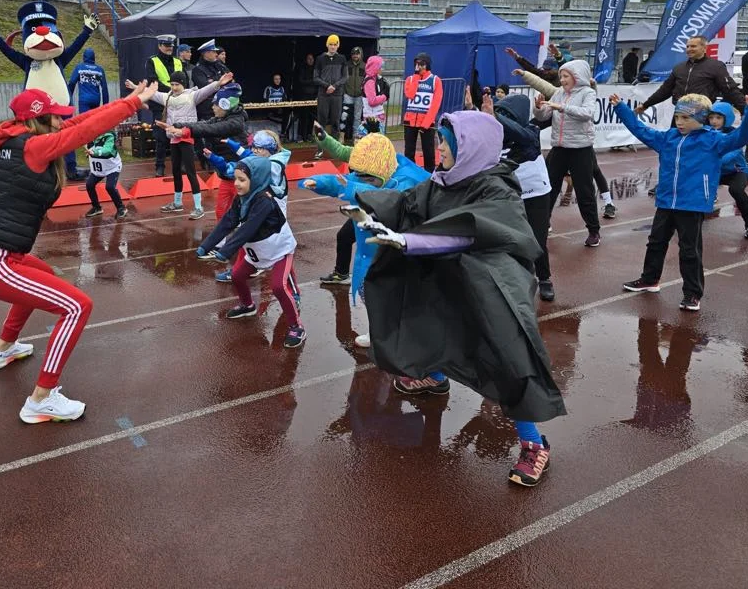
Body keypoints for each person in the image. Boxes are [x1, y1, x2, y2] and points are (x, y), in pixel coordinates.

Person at [355, 110, 567, 487]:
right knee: (434, 324)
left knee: (507, 358)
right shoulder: (441, 182)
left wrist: (411, 241)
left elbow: (470, 231)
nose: (438, 148)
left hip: (488, 288)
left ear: (468, 146)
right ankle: (435, 378)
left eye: (445, 142)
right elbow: (405, 205)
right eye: (439, 140)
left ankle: (535, 443)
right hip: (449, 278)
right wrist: (359, 201)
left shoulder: (496, 189)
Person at [0, 81, 158, 423]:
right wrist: (129, 107)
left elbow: (79, 123)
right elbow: (83, 133)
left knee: (45, 277)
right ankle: (41, 398)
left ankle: (4, 350)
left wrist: (129, 100)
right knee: (77, 305)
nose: (61, 120)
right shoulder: (34, 147)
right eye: (55, 115)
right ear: (40, 120)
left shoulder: (21, 138)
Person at [613, 92, 748, 311]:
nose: (680, 122)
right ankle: (650, 279)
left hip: (692, 203)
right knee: (656, 242)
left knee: (689, 250)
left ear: (701, 118)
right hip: (666, 201)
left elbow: (741, 137)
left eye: (686, 118)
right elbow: (640, 130)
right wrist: (621, 108)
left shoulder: (713, 140)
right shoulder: (668, 137)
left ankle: (692, 294)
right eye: (678, 117)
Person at [302, 130, 428, 342]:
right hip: (371, 226)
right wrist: (323, 175)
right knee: (365, 285)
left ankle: (400, 334)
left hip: (399, 240)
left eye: (369, 178)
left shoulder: (406, 182)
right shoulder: (373, 162)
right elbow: (347, 167)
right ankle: (379, 329)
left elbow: (385, 200)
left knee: (393, 292)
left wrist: (344, 187)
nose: (363, 181)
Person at [195, 156, 306, 349]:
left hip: (280, 250)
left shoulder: (264, 200)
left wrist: (226, 251)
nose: (236, 184)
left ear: (256, 179)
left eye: (242, 180)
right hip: (258, 251)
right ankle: (247, 305)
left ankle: (297, 326)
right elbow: (227, 222)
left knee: (279, 287)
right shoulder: (241, 200)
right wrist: (206, 245)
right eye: (236, 178)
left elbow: (248, 229)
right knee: (237, 276)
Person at [637, 35, 746, 197]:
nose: (689, 49)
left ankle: (706, 188)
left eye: (693, 46)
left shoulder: (715, 67)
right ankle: (667, 183)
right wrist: (646, 104)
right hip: (680, 115)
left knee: (701, 155)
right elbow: (665, 90)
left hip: (700, 118)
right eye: (687, 46)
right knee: (669, 150)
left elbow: (729, 89)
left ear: (704, 48)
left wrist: (744, 109)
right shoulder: (679, 68)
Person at [486, 91, 555, 301]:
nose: (500, 118)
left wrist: (498, 117)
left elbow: (520, 134)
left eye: (505, 114)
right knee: (505, 239)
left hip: (536, 193)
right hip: (509, 193)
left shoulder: (530, 132)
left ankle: (545, 278)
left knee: (537, 240)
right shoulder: (496, 135)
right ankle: (513, 279)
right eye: (498, 113)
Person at [531, 59, 602, 247]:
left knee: (584, 190)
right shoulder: (558, 93)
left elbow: (587, 113)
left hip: (581, 149)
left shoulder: (588, 93)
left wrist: (561, 107)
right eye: (561, 76)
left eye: (565, 76)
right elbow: (545, 116)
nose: (562, 80)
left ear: (576, 76)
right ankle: (542, 223)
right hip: (559, 148)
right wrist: (538, 108)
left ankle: (594, 230)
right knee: (547, 187)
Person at [146, 70, 232, 219]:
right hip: (173, 138)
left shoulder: (192, 96)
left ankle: (198, 207)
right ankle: (177, 203)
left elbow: (206, 90)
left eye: (177, 84)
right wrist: (136, 87)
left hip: (186, 137)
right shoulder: (168, 97)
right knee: (176, 171)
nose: (174, 87)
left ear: (183, 84)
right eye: (172, 84)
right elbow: (152, 94)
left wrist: (218, 83)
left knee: (190, 172)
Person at [706, 102, 748, 239]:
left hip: (737, 172)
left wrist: (713, 159)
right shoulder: (705, 132)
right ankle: (686, 219)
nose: (714, 121)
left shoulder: (734, 133)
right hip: (715, 172)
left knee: (736, 190)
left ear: (727, 118)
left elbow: (733, 153)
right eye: (711, 117)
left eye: (718, 118)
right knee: (694, 184)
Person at [144, 34, 183, 176]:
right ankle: (159, 166)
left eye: (171, 46)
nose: (169, 48)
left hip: (177, 102)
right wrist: (173, 89)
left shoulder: (178, 62)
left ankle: (179, 164)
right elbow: (153, 82)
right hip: (160, 104)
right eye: (166, 46)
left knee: (178, 133)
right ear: (160, 46)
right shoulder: (152, 61)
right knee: (161, 137)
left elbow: (184, 79)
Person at [402, 52, 443, 172]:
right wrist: (415, 77)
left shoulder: (435, 80)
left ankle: (429, 175)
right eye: (417, 64)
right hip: (410, 120)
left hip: (426, 121)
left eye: (422, 64)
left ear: (427, 65)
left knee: (428, 150)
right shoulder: (410, 79)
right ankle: (410, 173)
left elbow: (435, 104)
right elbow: (410, 94)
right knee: (409, 150)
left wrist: (426, 124)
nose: (419, 66)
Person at [313, 34, 349, 156]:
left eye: (335, 44)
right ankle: (319, 149)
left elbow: (345, 77)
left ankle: (335, 150)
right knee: (321, 121)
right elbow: (315, 77)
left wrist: (334, 86)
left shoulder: (342, 58)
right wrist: (327, 86)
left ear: (338, 45)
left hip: (337, 94)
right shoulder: (320, 58)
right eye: (331, 44)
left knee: (335, 121)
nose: (333, 47)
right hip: (323, 94)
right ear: (327, 45)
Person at [83, 131, 128, 220]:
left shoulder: (109, 137)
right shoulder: (90, 137)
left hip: (112, 168)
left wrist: (95, 153)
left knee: (110, 187)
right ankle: (97, 207)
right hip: (99, 170)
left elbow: (107, 150)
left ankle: (121, 208)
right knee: (89, 185)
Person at [67, 48, 109, 114]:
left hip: (84, 100)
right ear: (94, 57)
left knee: (84, 121)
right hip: (96, 100)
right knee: (94, 121)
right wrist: (106, 105)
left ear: (84, 57)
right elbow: (104, 89)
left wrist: (69, 98)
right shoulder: (100, 70)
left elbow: (72, 82)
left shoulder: (79, 68)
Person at [359, 55, 389, 136]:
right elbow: (372, 101)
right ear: (375, 67)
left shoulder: (376, 78)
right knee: (374, 142)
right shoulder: (370, 81)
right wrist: (384, 96)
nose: (381, 69)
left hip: (377, 115)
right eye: (380, 67)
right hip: (372, 118)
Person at [342, 46, 365, 144]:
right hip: (347, 94)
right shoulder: (346, 65)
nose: (355, 56)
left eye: (357, 54)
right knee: (344, 116)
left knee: (357, 117)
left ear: (360, 55)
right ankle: (342, 136)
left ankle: (355, 137)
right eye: (354, 54)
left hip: (359, 96)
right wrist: (343, 91)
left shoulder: (365, 66)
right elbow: (342, 79)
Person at [293, 53, 317, 142]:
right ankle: (302, 135)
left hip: (313, 96)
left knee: (312, 117)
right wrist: (312, 81)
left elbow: (317, 82)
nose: (310, 60)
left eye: (312, 58)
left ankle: (309, 134)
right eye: (308, 58)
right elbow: (301, 81)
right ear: (306, 60)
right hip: (303, 96)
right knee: (304, 116)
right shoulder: (302, 68)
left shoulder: (316, 69)